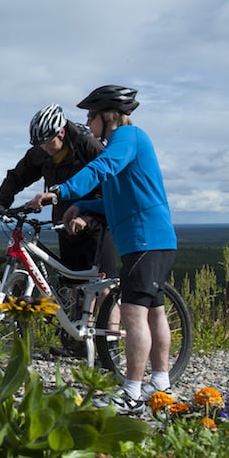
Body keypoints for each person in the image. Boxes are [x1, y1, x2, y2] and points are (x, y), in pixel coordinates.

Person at [30, 85, 177, 415]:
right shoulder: (125, 145)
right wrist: (79, 205)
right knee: (154, 311)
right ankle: (160, 383)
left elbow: (99, 169)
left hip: (144, 240)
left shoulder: (127, 138)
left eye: (90, 116)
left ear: (107, 116)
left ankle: (132, 393)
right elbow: (110, 200)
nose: (87, 122)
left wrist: (59, 193)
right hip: (150, 240)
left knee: (133, 313)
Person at [0, 104, 118, 355]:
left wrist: (87, 218)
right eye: (40, 144)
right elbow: (17, 176)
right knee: (76, 284)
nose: (44, 148)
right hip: (65, 224)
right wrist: (1, 201)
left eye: (47, 142)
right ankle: (80, 344)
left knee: (104, 287)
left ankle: (110, 348)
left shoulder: (88, 146)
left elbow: (108, 185)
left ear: (61, 133)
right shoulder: (42, 151)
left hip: (98, 224)